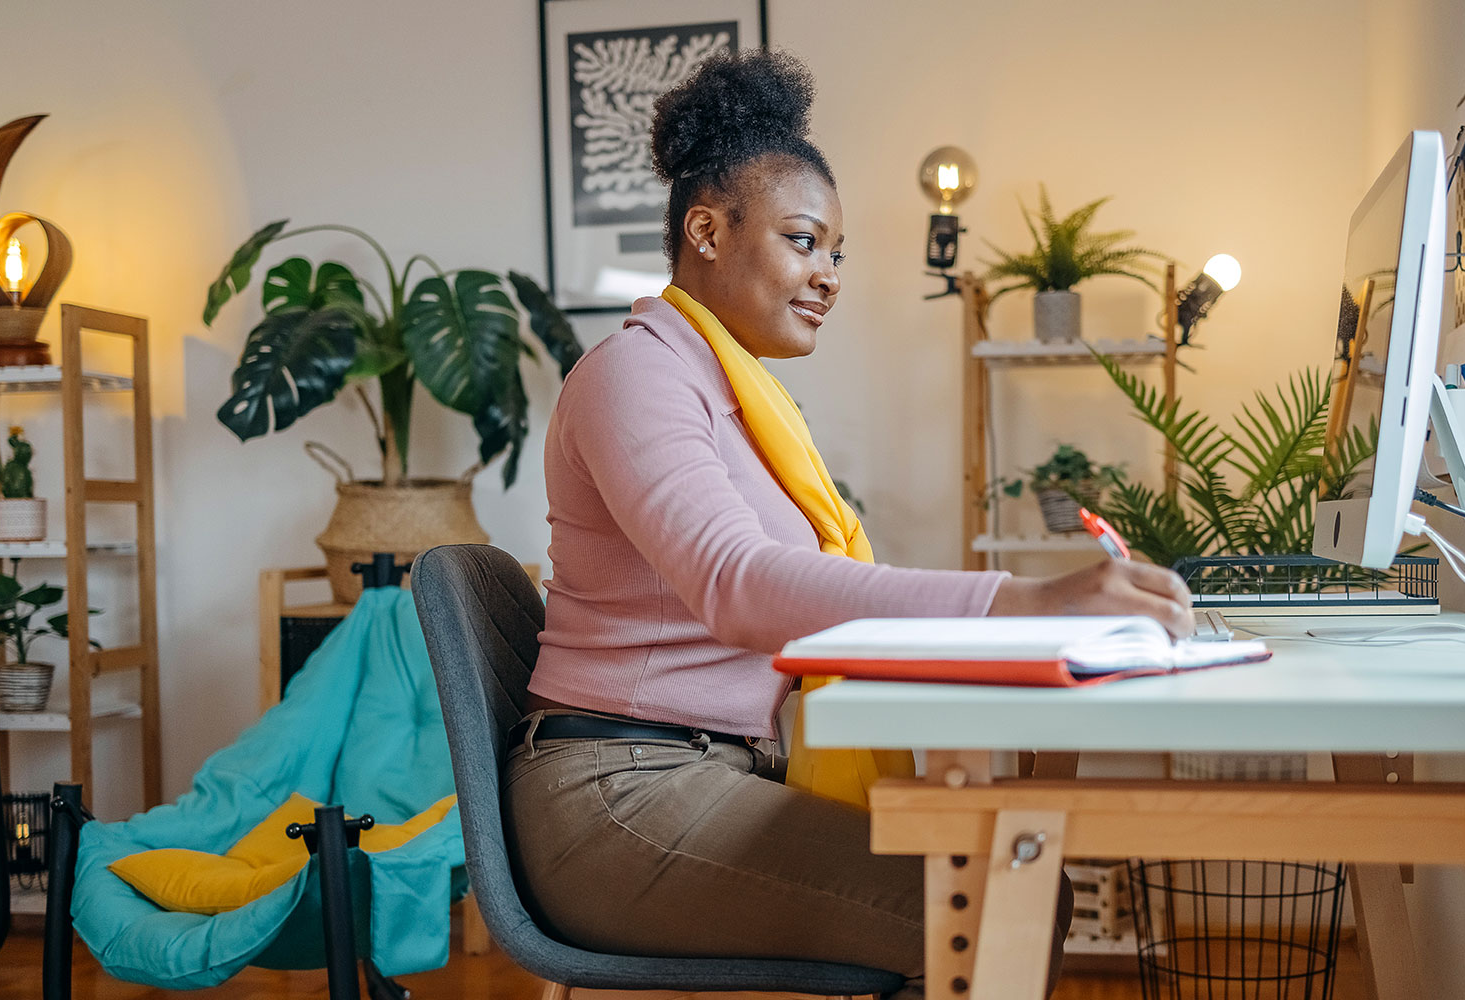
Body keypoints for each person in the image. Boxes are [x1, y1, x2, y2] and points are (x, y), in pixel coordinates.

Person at [502, 48, 1193, 995]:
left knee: (1020, 886)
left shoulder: (737, 400)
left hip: (703, 776)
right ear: (707, 229)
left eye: (836, 252)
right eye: (802, 240)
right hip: (619, 799)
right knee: (997, 904)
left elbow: (792, 589)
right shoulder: (636, 375)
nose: (828, 273)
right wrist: (1026, 600)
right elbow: (740, 585)